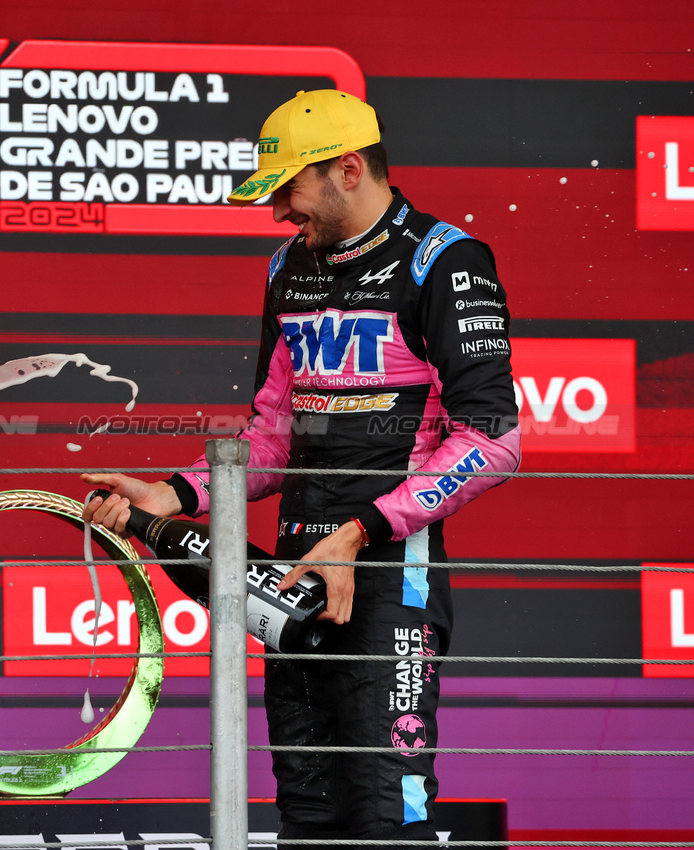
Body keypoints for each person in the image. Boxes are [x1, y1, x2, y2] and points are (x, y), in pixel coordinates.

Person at [84, 90, 520, 846]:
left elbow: (493, 440)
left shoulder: (444, 262)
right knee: (309, 818)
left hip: (388, 576)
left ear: (347, 169)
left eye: (288, 188)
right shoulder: (290, 266)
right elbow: (274, 433)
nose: (279, 210)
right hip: (291, 580)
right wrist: (175, 490)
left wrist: (359, 532)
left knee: (391, 811)